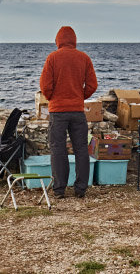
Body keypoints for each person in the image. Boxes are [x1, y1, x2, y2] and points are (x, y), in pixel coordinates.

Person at [40, 26, 98, 199]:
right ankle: (80, 188)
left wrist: (53, 98)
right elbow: (93, 85)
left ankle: (59, 189)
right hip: (77, 111)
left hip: (58, 112)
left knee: (58, 149)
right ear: (74, 40)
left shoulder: (52, 58)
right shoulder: (84, 58)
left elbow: (45, 86)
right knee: (81, 149)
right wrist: (80, 96)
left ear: (58, 40)